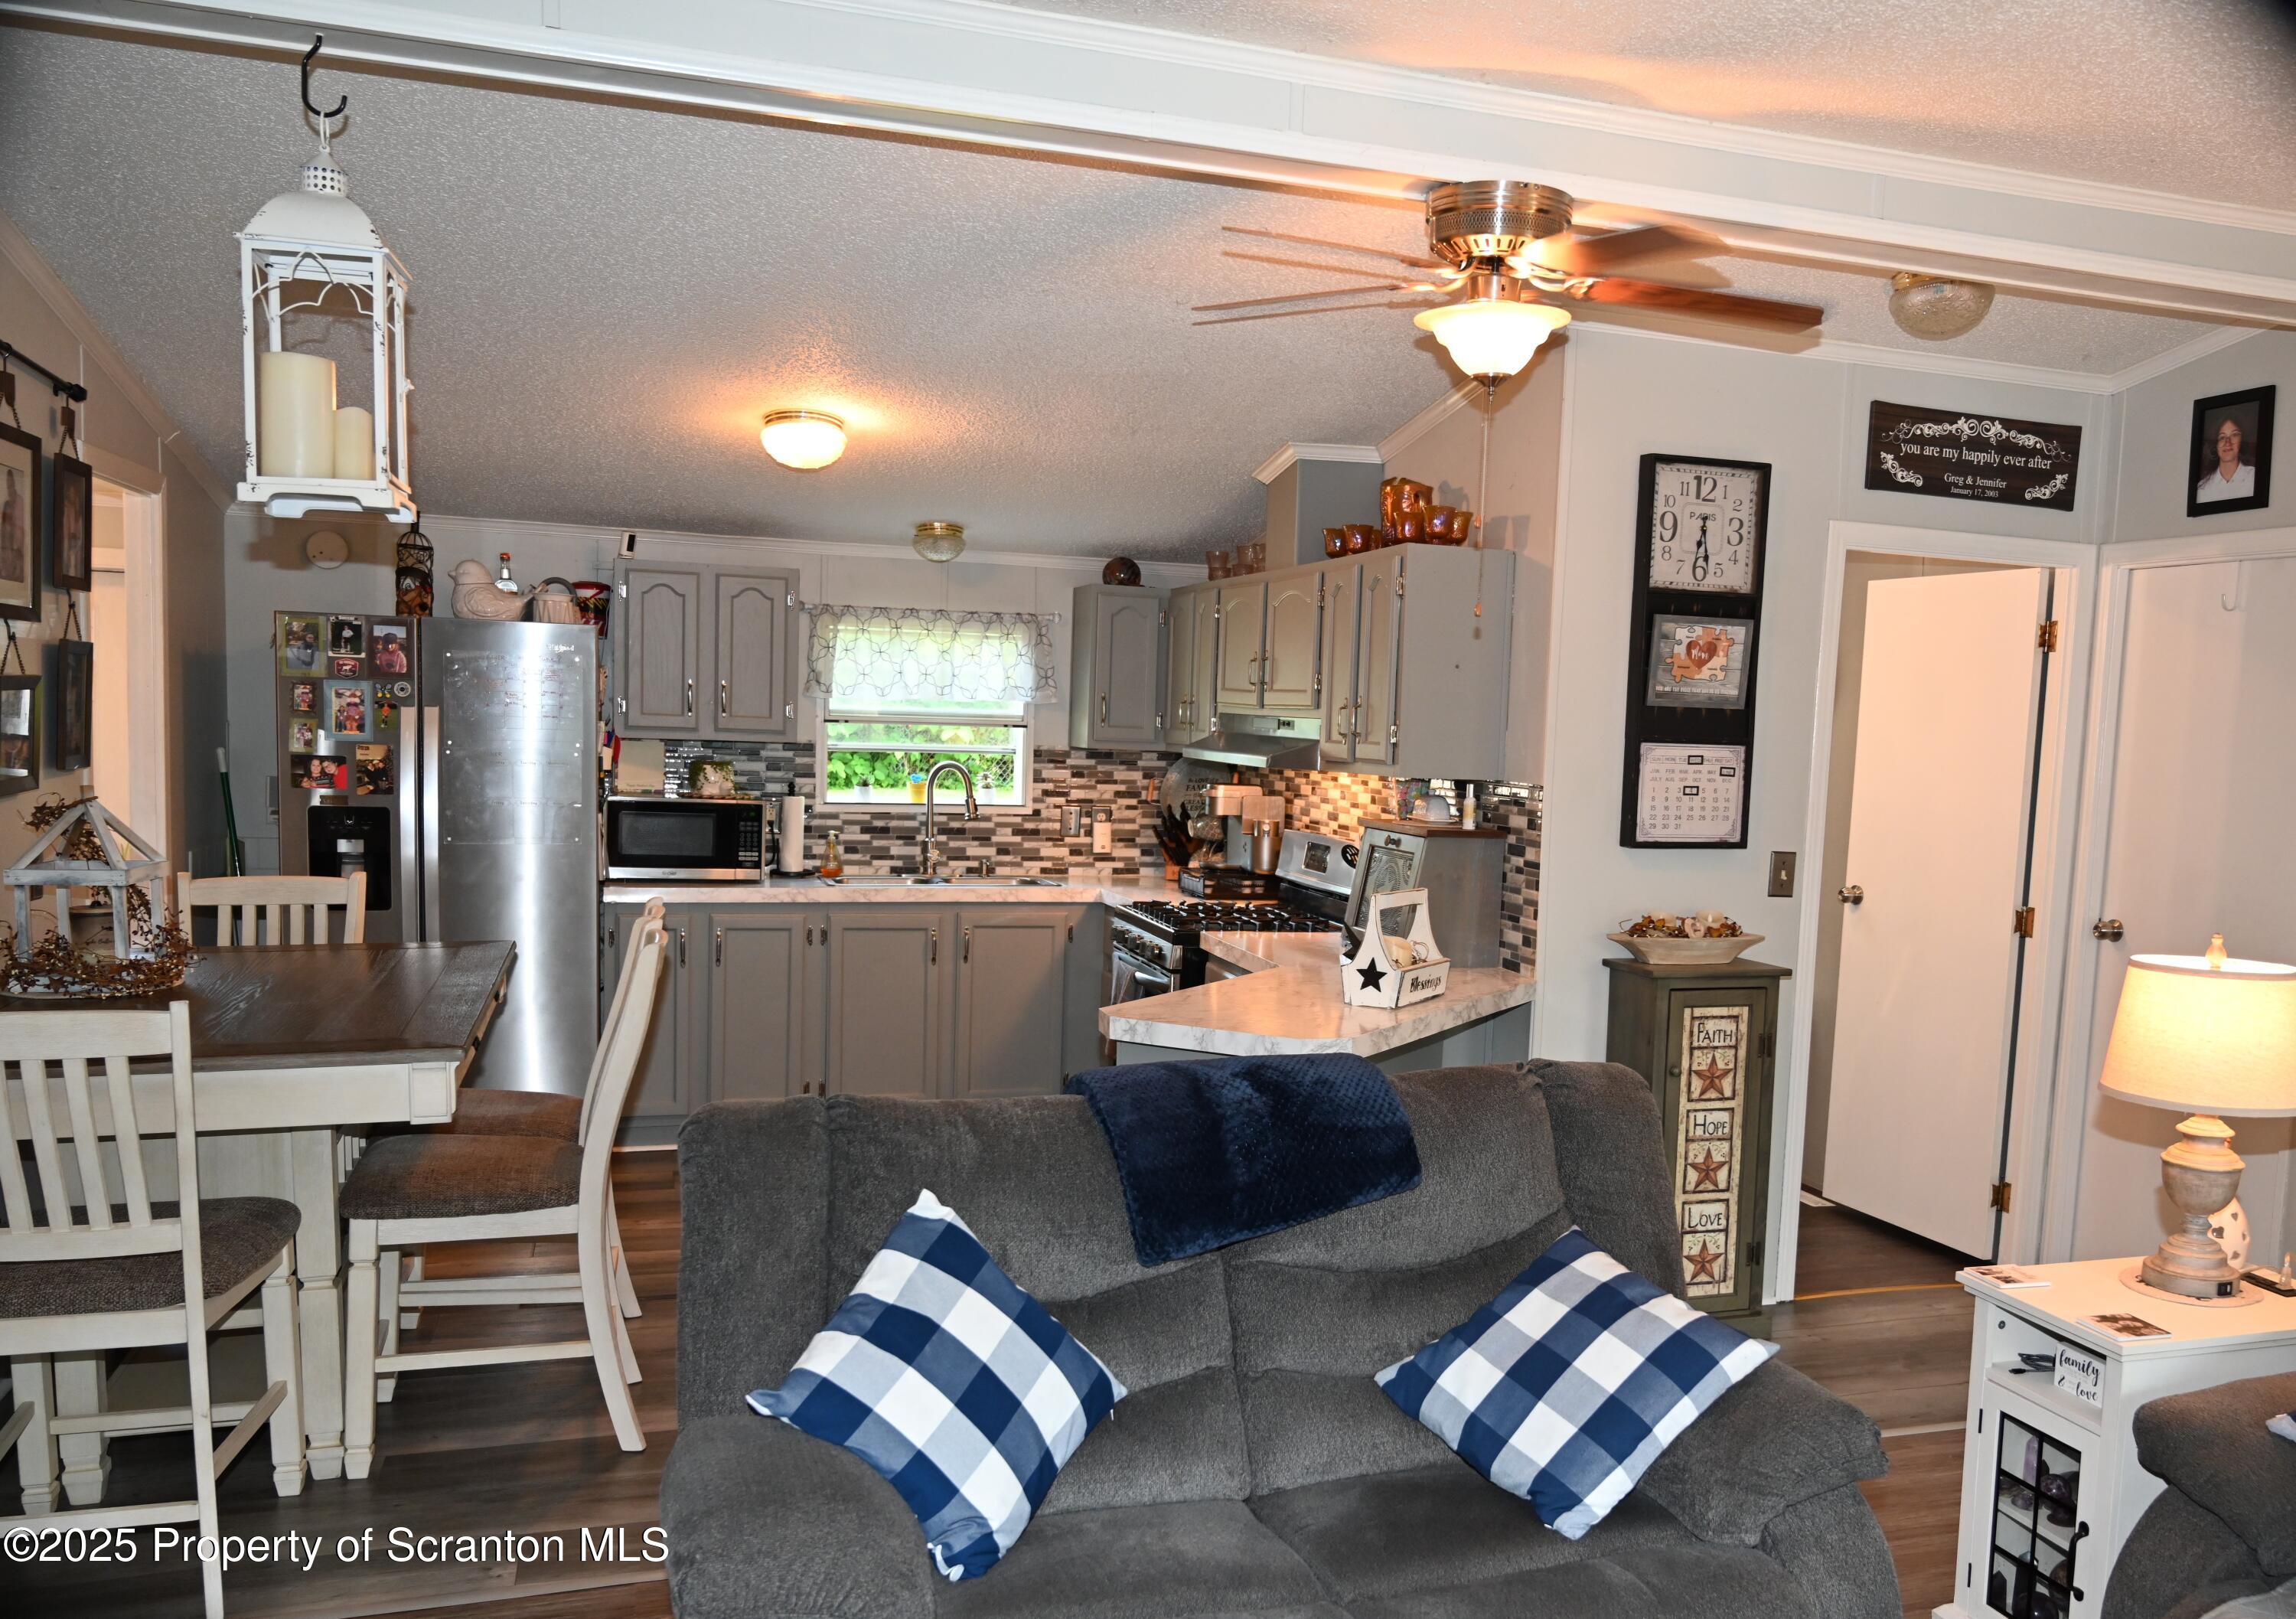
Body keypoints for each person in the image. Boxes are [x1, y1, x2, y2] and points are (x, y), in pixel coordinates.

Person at [2196, 413, 2257, 503]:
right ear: (2215, 445)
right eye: (2222, 437)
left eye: (2234, 435)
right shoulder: (2202, 488)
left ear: (2242, 440)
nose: (2228, 443)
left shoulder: (2255, 477)